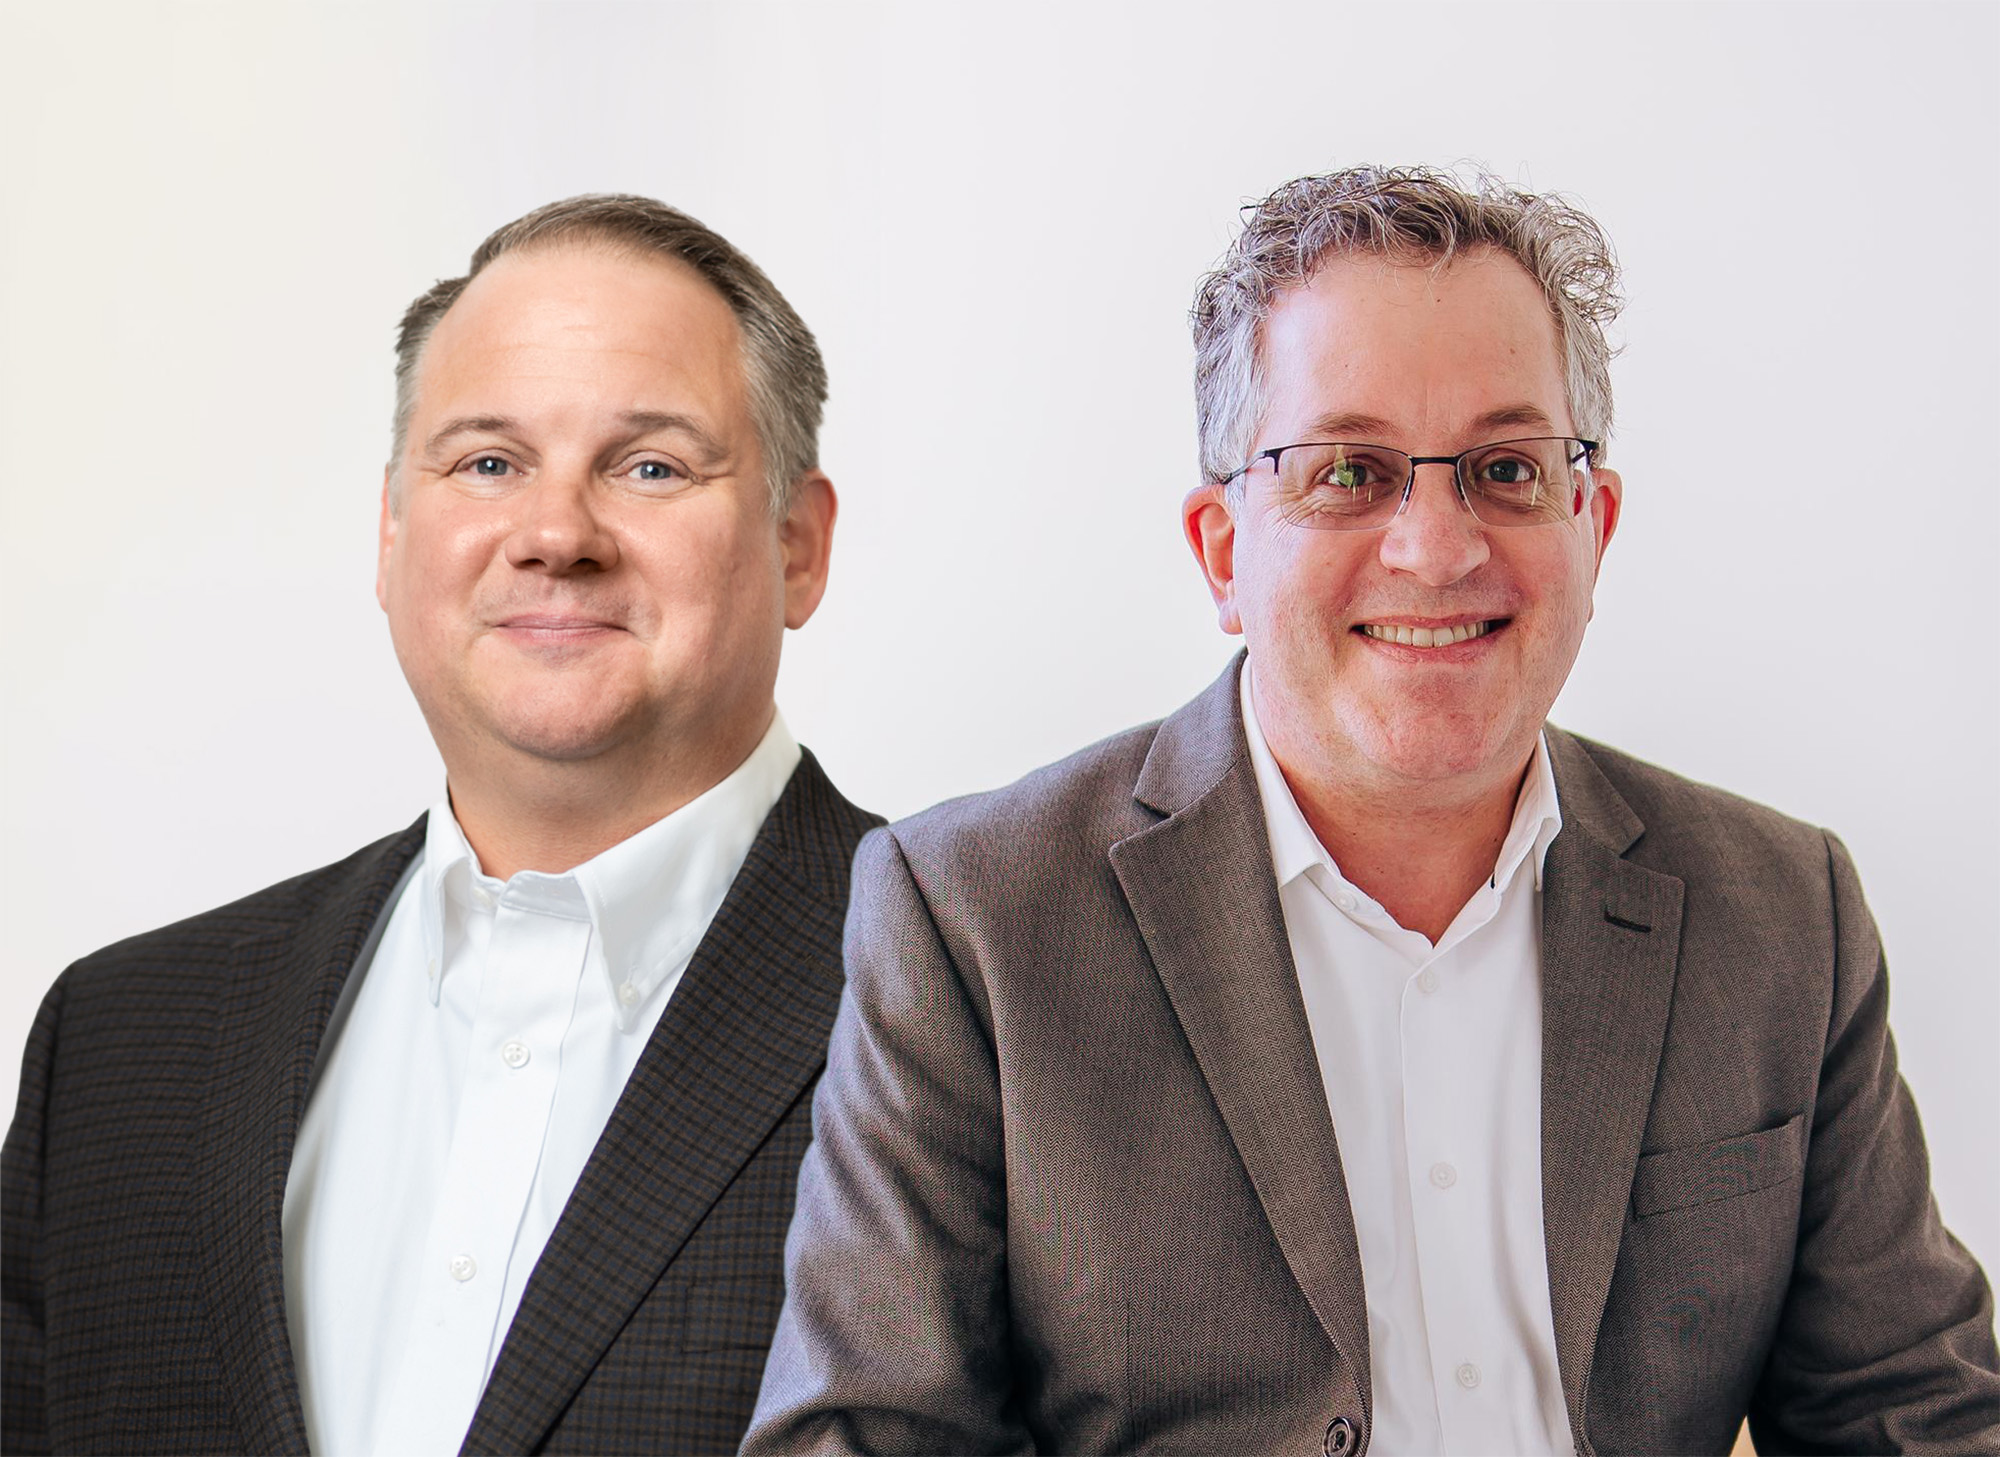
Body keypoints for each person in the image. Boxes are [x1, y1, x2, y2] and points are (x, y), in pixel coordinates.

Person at [744, 168, 2000, 1455]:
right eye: (1349, 469)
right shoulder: (974, 917)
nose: (1435, 546)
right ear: (1223, 550)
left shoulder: (1782, 909)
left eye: (1507, 467)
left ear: (1593, 524)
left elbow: (1912, 1412)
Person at [2, 194, 880, 1456]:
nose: (554, 535)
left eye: (648, 466)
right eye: (486, 462)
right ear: (391, 532)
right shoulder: (121, 1044)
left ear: (798, 546)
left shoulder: (996, 1002)